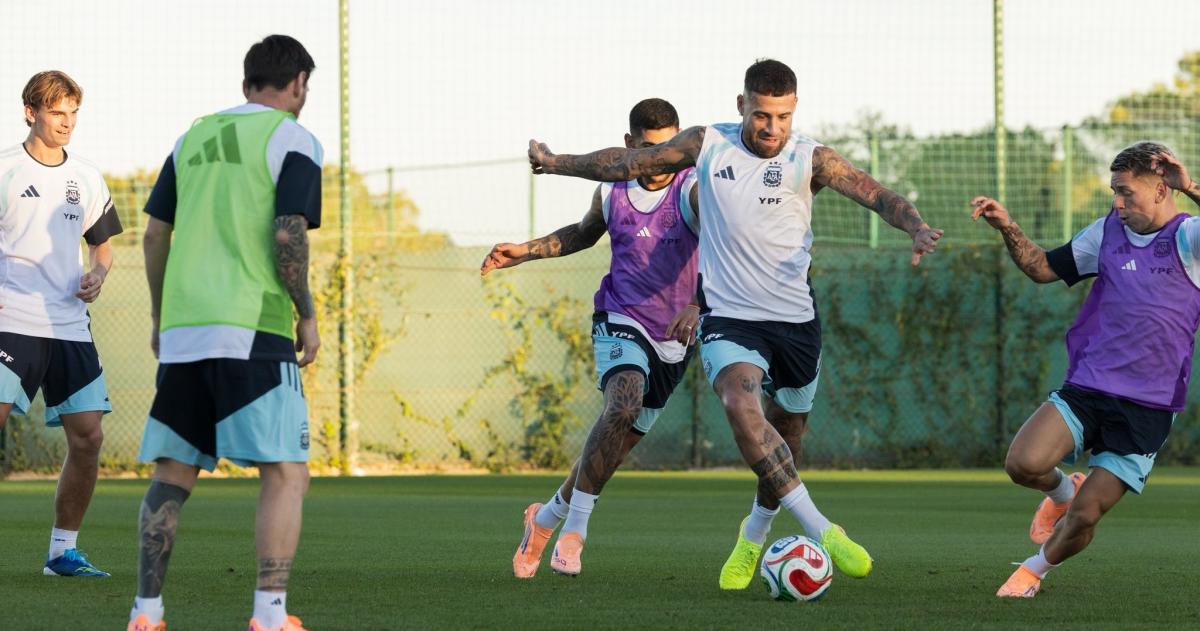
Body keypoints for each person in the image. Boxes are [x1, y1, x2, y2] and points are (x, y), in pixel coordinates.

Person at [527, 59, 942, 588]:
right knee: (740, 404)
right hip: (729, 320)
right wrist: (556, 162)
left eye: (783, 116)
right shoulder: (707, 144)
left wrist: (916, 226)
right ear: (742, 105)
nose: (772, 128)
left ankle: (753, 534)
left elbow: (876, 193)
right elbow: (629, 162)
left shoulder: (810, 157)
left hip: (795, 321)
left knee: (787, 439)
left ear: (794, 112)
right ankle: (823, 529)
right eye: (763, 115)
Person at [127, 35, 323, 631]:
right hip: (252, 325)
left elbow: (155, 235)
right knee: (287, 470)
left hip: (186, 329)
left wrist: (162, 318)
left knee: (171, 473)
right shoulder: (294, 137)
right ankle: (268, 614)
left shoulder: (192, 138)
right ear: (297, 85)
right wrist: (307, 314)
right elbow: (288, 233)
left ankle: (146, 613)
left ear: (245, 85)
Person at [483, 98, 701, 578]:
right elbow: (583, 234)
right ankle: (574, 532)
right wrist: (527, 250)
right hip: (620, 316)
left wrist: (698, 302)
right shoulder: (613, 191)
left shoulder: (694, 189)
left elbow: (726, 250)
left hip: (676, 336)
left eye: (670, 151)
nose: (660, 163)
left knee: (610, 451)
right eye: (649, 151)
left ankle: (542, 521)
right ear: (629, 146)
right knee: (622, 403)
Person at [975, 142, 1200, 598]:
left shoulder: (1189, 237)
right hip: (1089, 386)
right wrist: (1007, 226)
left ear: (1161, 190)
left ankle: (1033, 571)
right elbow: (1041, 268)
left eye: (1126, 192)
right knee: (1023, 463)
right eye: (1113, 192)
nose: (1117, 203)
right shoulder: (1105, 233)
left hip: (1148, 408)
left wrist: (1192, 187)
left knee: (1087, 517)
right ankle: (1062, 491)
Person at [0, 70, 123, 578]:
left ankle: (61, 553)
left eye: (73, 113)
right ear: (31, 112)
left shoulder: (87, 177)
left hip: (69, 326)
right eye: (56, 112)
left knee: (88, 437)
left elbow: (103, 244)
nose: (66, 123)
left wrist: (97, 273)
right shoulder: (5, 169)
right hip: (11, 320)